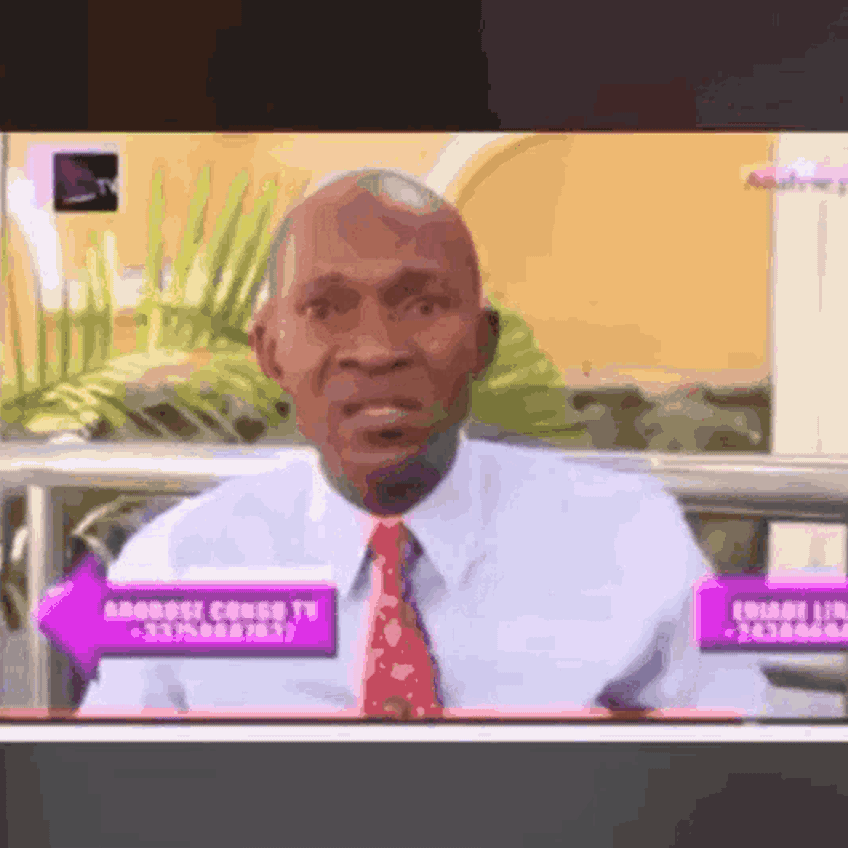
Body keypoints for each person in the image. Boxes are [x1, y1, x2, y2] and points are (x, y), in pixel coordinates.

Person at [78, 168, 780, 719]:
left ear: (483, 343)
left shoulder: (628, 535)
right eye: (325, 308)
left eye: (421, 305)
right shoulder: (177, 565)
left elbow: (735, 761)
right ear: (269, 350)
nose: (377, 349)